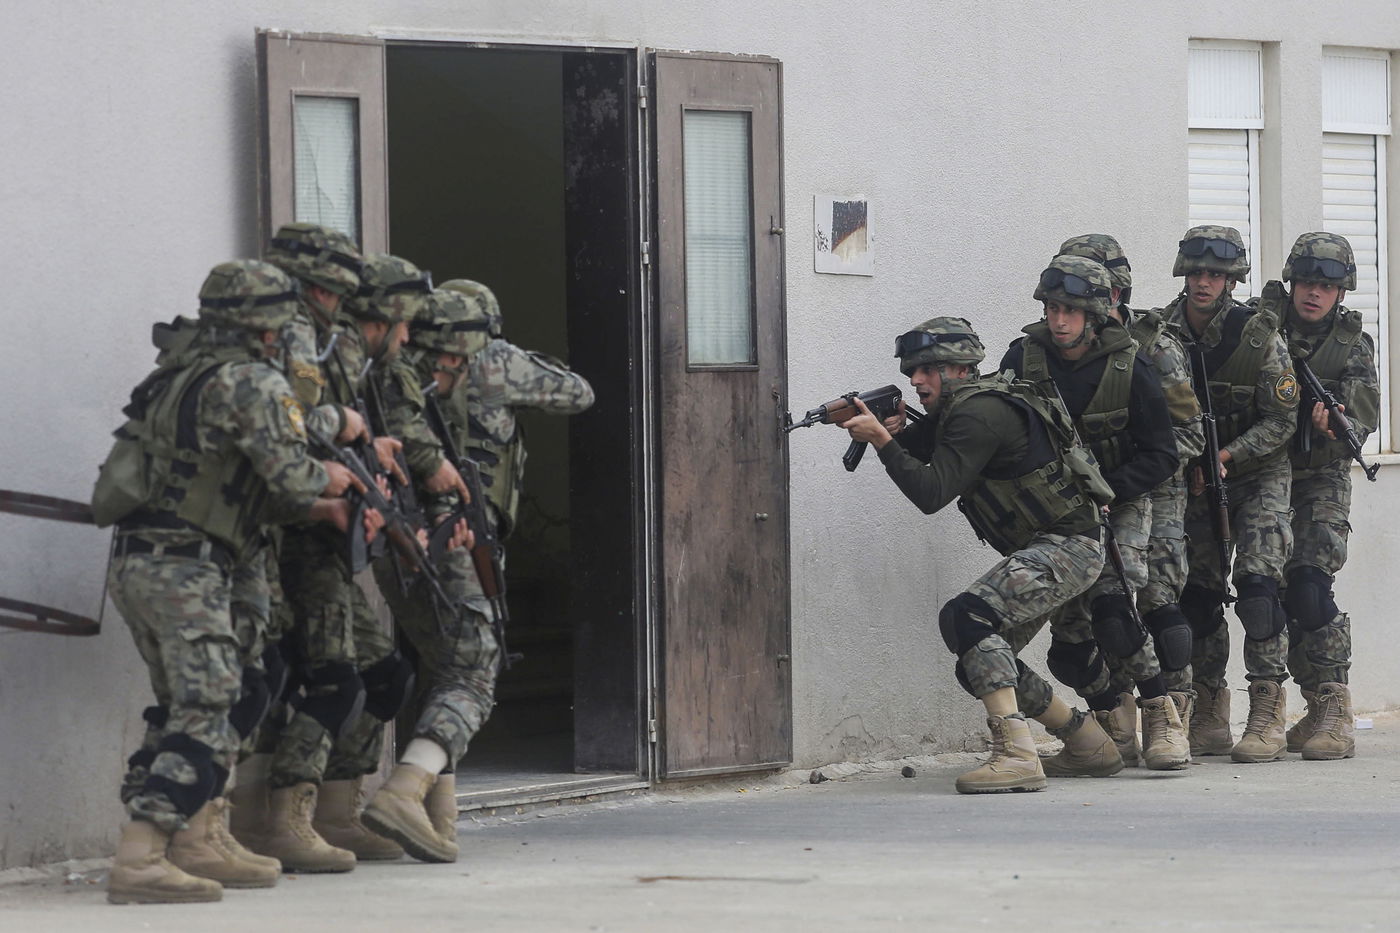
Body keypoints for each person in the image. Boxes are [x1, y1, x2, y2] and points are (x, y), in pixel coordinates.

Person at [92, 260, 371, 903]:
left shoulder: (175, 374)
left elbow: (225, 484)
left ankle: (174, 841)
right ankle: (142, 856)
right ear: (266, 325)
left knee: (184, 705)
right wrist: (331, 461)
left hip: (143, 561)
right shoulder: (251, 380)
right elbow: (296, 477)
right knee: (213, 700)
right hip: (184, 568)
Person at [843, 317, 1114, 794]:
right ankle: (1087, 742)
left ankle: (1015, 755)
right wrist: (898, 434)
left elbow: (932, 491)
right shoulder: (968, 409)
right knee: (984, 660)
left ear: (961, 369)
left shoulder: (977, 414)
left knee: (966, 618)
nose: (916, 381)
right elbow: (938, 459)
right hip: (1058, 546)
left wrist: (883, 442)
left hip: (1068, 547)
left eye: (928, 370)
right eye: (913, 371)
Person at [1000, 254, 1186, 771]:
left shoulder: (1129, 365)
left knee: (1112, 610)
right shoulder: (1023, 359)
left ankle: (1160, 712)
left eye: (1071, 310)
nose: (1059, 320)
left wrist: (1109, 490)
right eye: (1053, 308)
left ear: (1096, 314)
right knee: (1069, 647)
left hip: (1120, 502)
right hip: (1054, 511)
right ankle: (1110, 722)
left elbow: (1163, 455)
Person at [359, 286, 500, 863]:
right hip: (411, 539)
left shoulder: (392, 385)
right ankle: (407, 790)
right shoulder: (397, 389)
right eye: (460, 361)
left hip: (415, 534)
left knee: (440, 666)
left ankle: (435, 818)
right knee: (472, 667)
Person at [1055, 235, 1204, 763]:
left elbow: (1187, 437)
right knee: (1091, 619)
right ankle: (1115, 725)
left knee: (1157, 607)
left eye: (1103, 288)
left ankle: (1171, 719)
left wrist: (1121, 475)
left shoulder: (1154, 347)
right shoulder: (1055, 349)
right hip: (1086, 499)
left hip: (1154, 490)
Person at [1164, 225, 1299, 763]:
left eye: (1215, 275)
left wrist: (1226, 456)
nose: (1204, 283)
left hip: (1257, 474)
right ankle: (1208, 707)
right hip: (1194, 480)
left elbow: (1282, 419)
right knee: (1196, 596)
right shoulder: (1160, 333)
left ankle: (1267, 710)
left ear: (1231, 279)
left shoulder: (1258, 335)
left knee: (1259, 591)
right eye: (1197, 272)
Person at [1270, 233, 1379, 760]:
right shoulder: (1260, 328)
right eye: (1308, 283)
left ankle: (1333, 705)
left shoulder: (1352, 343)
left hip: (1320, 476)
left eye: (1327, 286)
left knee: (1310, 586)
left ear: (1342, 292)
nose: (1314, 294)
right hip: (1259, 475)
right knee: (1267, 596)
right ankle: (1307, 701)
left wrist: (1339, 426)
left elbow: (1363, 410)